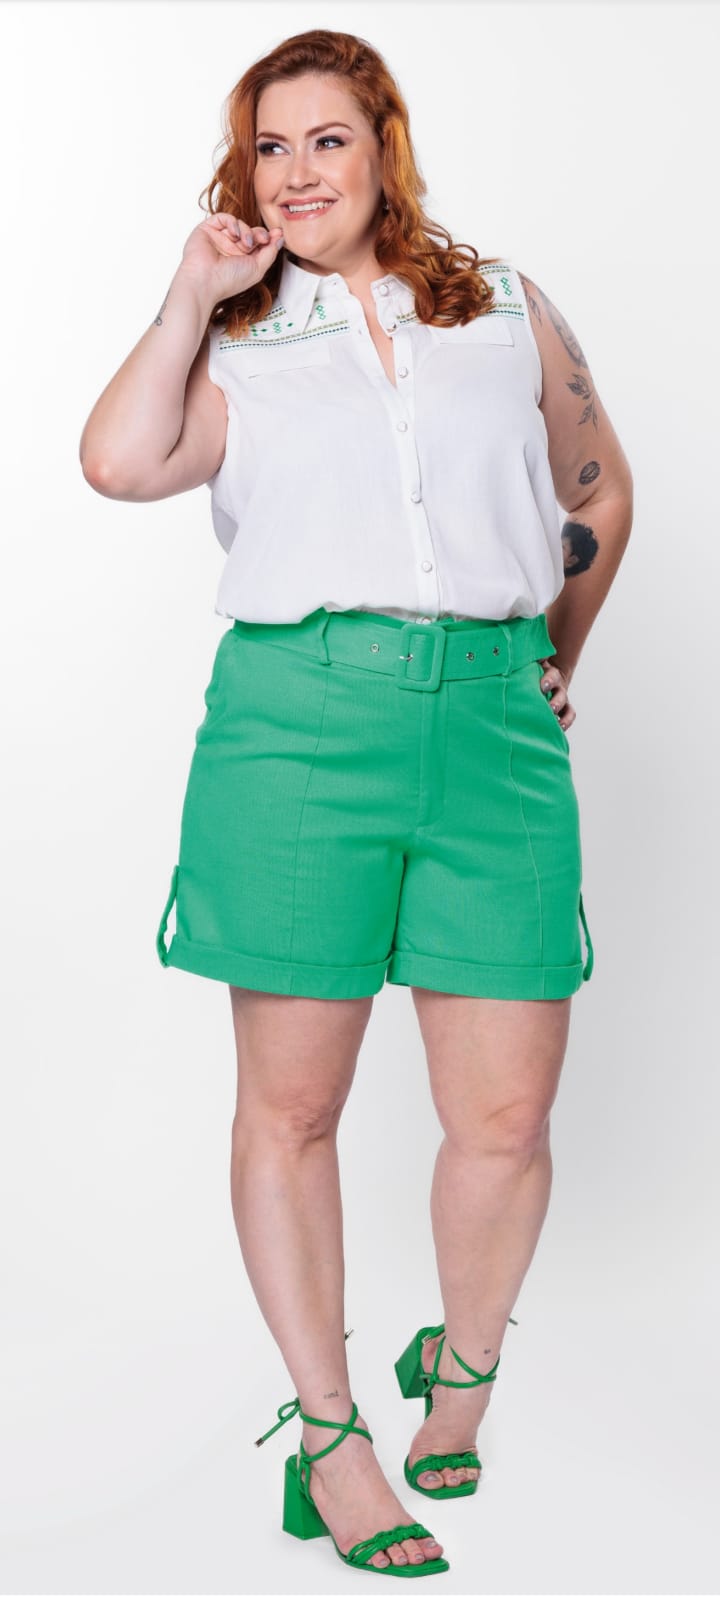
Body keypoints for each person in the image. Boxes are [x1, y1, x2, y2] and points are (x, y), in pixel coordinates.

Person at [79, 27, 633, 1580]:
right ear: (241, 171)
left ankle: (463, 1369)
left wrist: (557, 659)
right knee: (295, 1109)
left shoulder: (505, 308)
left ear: (384, 147)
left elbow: (597, 490)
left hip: (492, 730)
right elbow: (117, 465)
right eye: (271, 146)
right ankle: (329, 1440)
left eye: (328, 138)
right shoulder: (236, 342)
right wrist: (190, 294)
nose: (299, 170)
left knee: (505, 1118)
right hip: (297, 731)